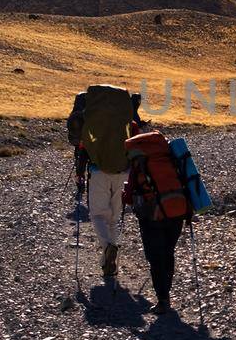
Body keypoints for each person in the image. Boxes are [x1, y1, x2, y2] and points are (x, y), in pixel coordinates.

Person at [70, 85, 140, 278]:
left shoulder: (92, 122)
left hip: (99, 172)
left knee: (98, 215)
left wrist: (80, 173)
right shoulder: (128, 122)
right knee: (114, 218)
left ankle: (109, 247)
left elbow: (83, 149)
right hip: (123, 173)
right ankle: (109, 264)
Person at [122, 120, 185, 315]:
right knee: (168, 251)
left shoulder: (139, 166)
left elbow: (129, 195)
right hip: (178, 210)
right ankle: (166, 292)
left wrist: (126, 197)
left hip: (153, 215)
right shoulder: (169, 158)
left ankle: (163, 299)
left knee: (155, 257)